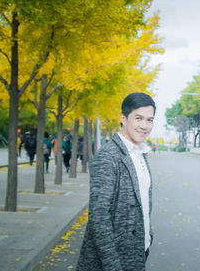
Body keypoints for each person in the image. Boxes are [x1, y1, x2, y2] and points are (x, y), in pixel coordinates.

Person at [77, 92, 156, 271]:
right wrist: (113, 266)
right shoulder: (108, 157)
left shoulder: (140, 153)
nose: (144, 126)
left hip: (136, 254)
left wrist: (148, 237)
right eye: (138, 118)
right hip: (112, 261)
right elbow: (99, 218)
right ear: (123, 118)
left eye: (149, 120)